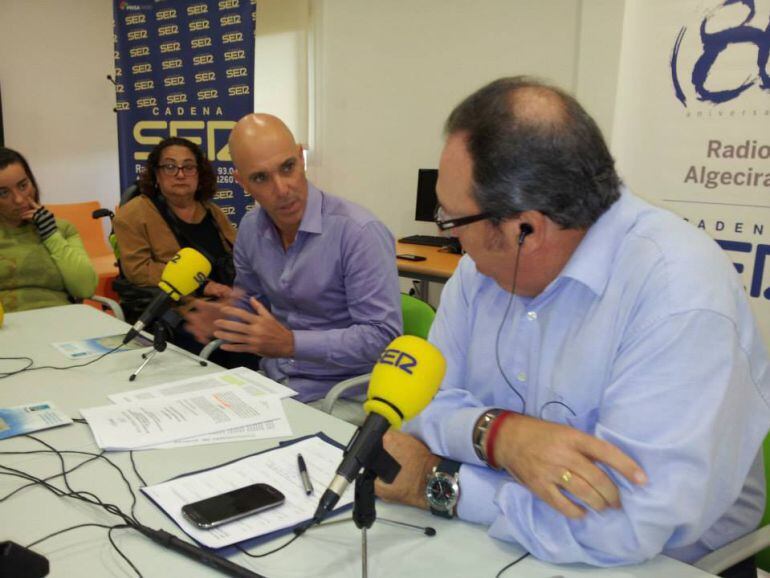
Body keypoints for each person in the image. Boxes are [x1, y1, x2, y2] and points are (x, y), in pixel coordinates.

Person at [375, 77, 770, 575]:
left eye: (452, 220)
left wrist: (435, 482)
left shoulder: (679, 295)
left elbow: (620, 528)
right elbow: (426, 404)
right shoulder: (480, 274)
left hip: (660, 564)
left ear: (527, 229)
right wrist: (498, 436)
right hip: (500, 540)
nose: (443, 232)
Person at [186, 113, 402, 403]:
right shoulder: (250, 228)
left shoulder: (358, 233)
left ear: (301, 158)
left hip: (341, 396)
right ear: (241, 182)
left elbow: (383, 339)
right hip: (273, 385)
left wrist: (292, 343)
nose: (282, 189)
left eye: (287, 167)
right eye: (260, 178)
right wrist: (229, 315)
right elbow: (253, 300)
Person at [113, 136, 236, 304]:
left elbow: (238, 254)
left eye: (188, 167)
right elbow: (139, 270)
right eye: (170, 167)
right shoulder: (132, 214)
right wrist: (201, 285)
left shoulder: (213, 211)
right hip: (181, 305)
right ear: (156, 174)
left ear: (199, 173)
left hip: (230, 296)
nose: (180, 174)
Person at [0, 147, 97, 312]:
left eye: (23, 185)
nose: (18, 199)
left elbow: (85, 288)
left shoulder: (62, 228)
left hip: (59, 321)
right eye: (3, 193)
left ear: (33, 182)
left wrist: (51, 234)